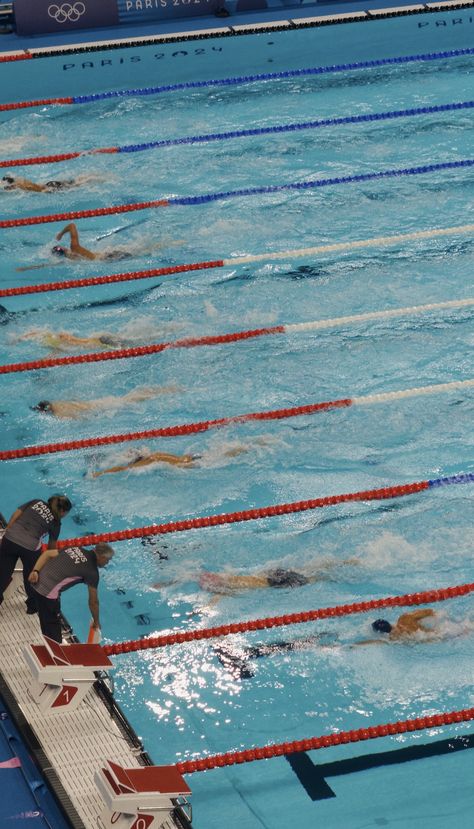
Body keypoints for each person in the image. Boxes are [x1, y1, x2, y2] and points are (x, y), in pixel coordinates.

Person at [27, 542, 114, 642]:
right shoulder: (92, 572)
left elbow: (47, 554)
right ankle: (54, 651)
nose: (107, 563)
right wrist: (96, 621)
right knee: (52, 629)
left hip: (35, 581)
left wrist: (35, 571)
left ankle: (31, 607)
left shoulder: (76, 548)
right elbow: (93, 602)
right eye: (107, 560)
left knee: (43, 611)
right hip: (46, 594)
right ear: (102, 557)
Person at [0, 495, 72, 614]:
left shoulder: (36, 502)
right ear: (62, 511)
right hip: (29, 548)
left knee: (2, 572)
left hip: (10, 539)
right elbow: (51, 548)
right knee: (33, 575)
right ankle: (32, 606)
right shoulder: (56, 522)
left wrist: (7, 532)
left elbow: (16, 515)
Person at [31, 385, 180, 419]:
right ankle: (166, 390)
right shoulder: (58, 403)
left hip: (104, 407)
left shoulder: (60, 414)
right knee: (135, 396)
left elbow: (82, 420)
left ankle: (168, 391)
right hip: (99, 402)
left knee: (136, 399)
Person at [357, 609, 439, 644]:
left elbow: (375, 642)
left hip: (434, 641)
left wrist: (354, 645)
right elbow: (431, 612)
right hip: (439, 633)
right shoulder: (405, 618)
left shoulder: (394, 639)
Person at [2, 174, 96, 193]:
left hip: (49, 187)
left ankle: (91, 178)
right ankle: (90, 177)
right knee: (75, 183)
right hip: (48, 184)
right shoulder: (20, 181)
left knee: (75, 185)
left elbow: (40, 190)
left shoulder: (20, 185)